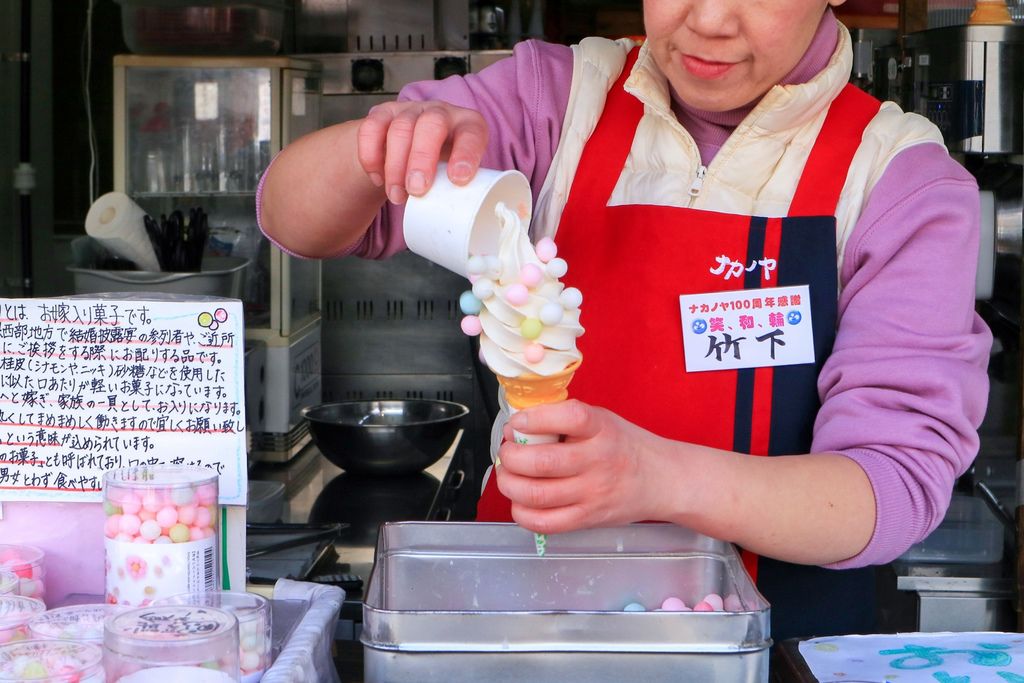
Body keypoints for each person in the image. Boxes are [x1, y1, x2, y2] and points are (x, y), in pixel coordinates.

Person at [259, 0, 991, 641]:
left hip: (769, 646)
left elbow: (891, 486)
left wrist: (656, 476)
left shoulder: (898, 177)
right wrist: (381, 148)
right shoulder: (555, 99)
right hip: (520, 634)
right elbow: (293, 218)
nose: (708, 20)